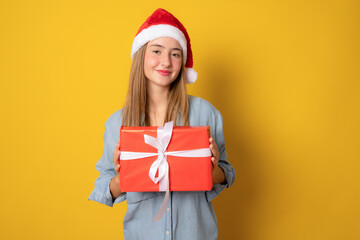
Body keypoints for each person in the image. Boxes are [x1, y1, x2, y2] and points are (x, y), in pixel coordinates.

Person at [89, 8, 235, 240]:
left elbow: (227, 174)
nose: (166, 62)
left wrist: (212, 170)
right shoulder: (118, 123)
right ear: (141, 56)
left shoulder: (205, 113)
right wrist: (122, 177)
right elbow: (104, 187)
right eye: (157, 51)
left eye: (175, 54)